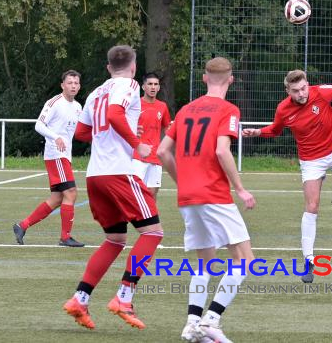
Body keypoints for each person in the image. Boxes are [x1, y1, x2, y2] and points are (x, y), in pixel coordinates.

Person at [63, 45, 163, 330]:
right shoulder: (129, 84)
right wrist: (135, 143)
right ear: (133, 67)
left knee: (115, 240)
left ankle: (80, 299)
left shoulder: (96, 92)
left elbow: (82, 132)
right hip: (119, 172)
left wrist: (120, 135)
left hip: (96, 175)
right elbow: (116, 115)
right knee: (153, 233)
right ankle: (124, 297)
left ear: (108, 67)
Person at [157, 57, 256, 343]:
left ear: (203, 78)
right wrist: (240, 188)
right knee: (245, 260)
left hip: (188, 197)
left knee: (204, 262)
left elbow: (164, 152)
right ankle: (211, 320)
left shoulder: (186, 110)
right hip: (214, 194)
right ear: (231, 80)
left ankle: (192, 324)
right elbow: (222, 151)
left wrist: (183, 181)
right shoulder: (229, 109)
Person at [242, 69, 332, 283]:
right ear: (287, 91)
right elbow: (275, 130)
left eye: (303, 88)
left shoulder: (321, 92)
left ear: (307, 84)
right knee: (312, 207)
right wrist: (258, 132)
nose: (301, 94)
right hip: (311, 161)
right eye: (295, 91)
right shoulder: (283, 109)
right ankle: (308, 260)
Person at [13, 70, 85, 247]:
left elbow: (80, 131)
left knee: (57, 199)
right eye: (70, 82)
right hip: (55, 155)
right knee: (71, 193)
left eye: (76, 83)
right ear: (62, 85)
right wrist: (56, 137)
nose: (73, 86)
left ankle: (22, 226)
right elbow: (39, 125)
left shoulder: (77, 107)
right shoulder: (54, 103)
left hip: (64, 157)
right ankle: (65, 237)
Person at [132, 72, 171, 200]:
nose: (153, 87)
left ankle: (151, 220)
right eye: (150, 84)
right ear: (143, 87)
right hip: (137, 156)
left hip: (155, 156)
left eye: (156, 84)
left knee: (152, 194)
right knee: (136, 193)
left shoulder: (162, 107)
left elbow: (167, 128)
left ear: (159, 87)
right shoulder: (135, 105)